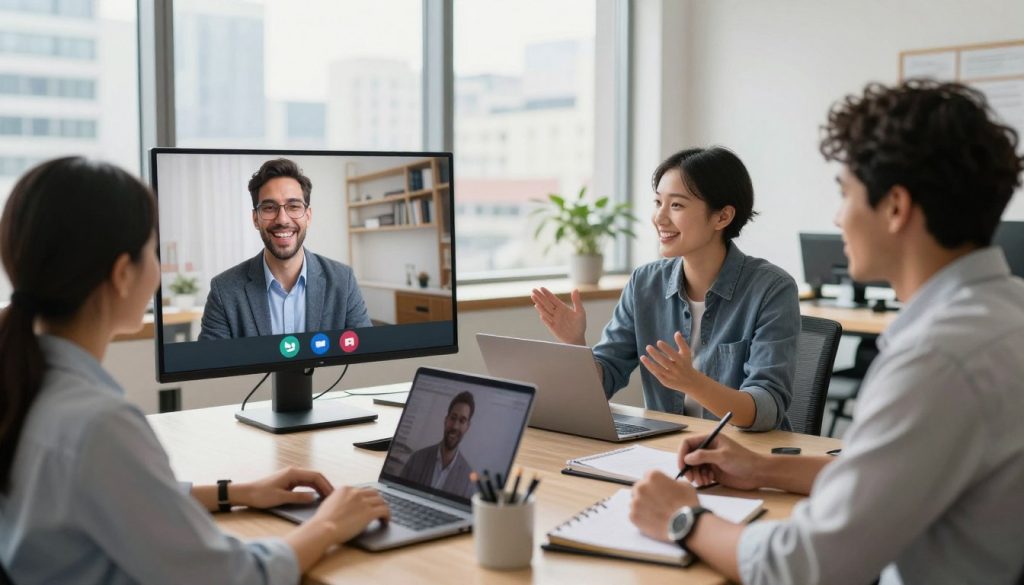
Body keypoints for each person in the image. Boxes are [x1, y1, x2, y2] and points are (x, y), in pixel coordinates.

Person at [629, 80, 1024, 585]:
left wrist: (683, 520)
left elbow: (809, 564)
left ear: (896, 207)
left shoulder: (938, 359)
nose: (837, 217)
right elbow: (888, 480)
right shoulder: (1000, 314)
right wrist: (762, 469)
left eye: (845, 193)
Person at [0, 158, 390, 584]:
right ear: (121, 275)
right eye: (153, 249)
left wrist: (234, 492)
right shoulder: (99, 425)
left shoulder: (28, 388)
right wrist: (329, 524)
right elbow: (231, 576)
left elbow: (122, 496)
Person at [532, 147, 800, 431]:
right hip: (668, 452)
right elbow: (605, 379)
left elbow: (766, 409)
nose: (659, 218)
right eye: (658, 202)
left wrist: (693, 383)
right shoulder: (645, 283)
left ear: (722, 217)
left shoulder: (772, 289)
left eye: (677, 205)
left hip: (744, 456)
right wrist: (575, 345)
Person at [199, 158, 371, 340]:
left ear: (308, 216)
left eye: (294, 206)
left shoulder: (343, 281)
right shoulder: (223, 290)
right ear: (255, 219)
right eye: (269, 208)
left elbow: (367, 354)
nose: (282, 219)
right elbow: (210, 365)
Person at [399, 391, 475, 498]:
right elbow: (398, 491)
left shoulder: (468, 480)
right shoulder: (416, 458)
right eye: (453, 418)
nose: (455, 426)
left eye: (462, 421)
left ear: (467, 426)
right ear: (446, 420)